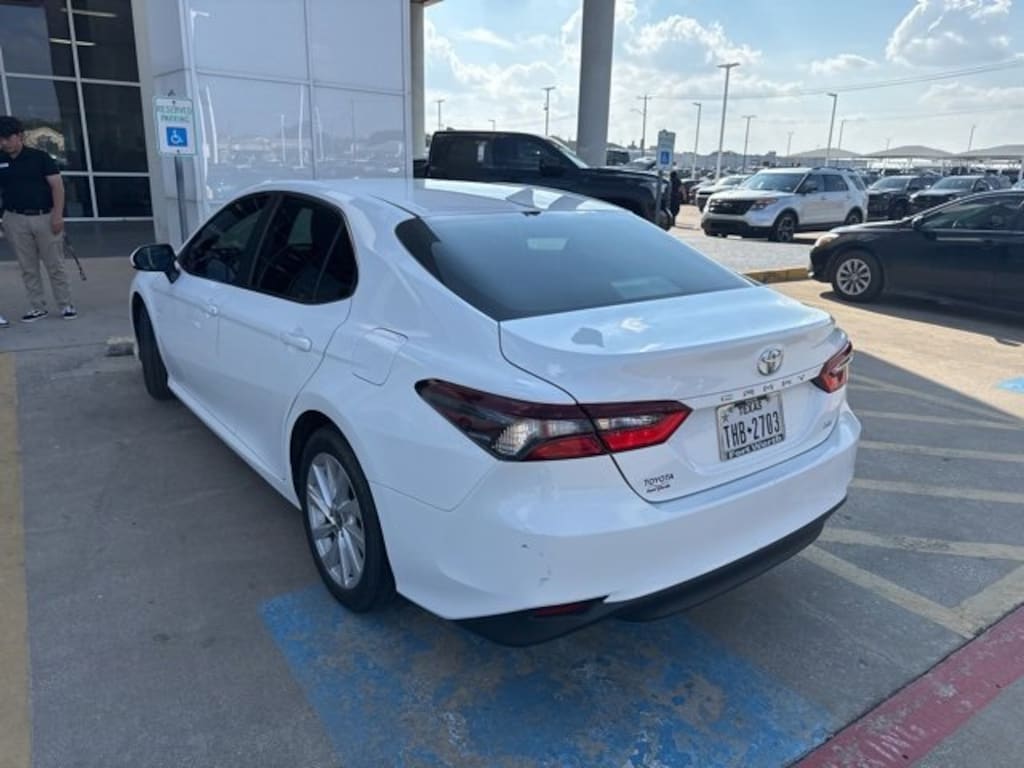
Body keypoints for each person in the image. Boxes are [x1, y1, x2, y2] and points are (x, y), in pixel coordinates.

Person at [0, 115, 76, 323]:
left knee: (55, 264)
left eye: (7, 138)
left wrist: (58, 215)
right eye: (0, 139)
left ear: (20, 136)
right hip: (14, 218)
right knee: (27, 266)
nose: (4, 143)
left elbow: (57, 187)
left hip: (44, 216)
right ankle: (37, 306)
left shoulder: (40, 158)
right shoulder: (1, 160)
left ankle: (65, 304)